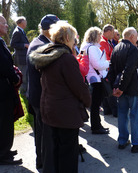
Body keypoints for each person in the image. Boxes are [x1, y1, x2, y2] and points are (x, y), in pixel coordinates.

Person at [29, 21, 91, 172]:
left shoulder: (48, 55)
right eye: (74, 38)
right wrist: (87, 100)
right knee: (67, 155)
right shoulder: (65, 58)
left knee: (53, 153)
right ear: (67, 38)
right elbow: (78, 87)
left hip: (50, 110)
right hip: (65, 114)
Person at [107, 27, 138, 153]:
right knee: (136, 115)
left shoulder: (116, 48)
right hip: (131, 88)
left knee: (122, 114)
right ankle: (137, 143)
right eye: (136, 36)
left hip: (121, 89)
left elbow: (112, 69)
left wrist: (115, 88)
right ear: (132, 36)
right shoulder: (132, 49)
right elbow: (129, 70)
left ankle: (122, 140)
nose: (137, 39)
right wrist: (120, 88)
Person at [27, 14, 59, 169]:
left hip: (39, 96)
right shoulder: (40, 45)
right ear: (50, 29)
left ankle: (43, 161)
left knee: (43, 132)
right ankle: (47, 164)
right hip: (41, 97)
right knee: (45, 134)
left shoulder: (41, 42)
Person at [0, 15, 22, 165]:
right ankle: (3, 154)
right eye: (4, 23)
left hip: (4, 87)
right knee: (3, 121)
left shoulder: (1, 41)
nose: (7, 26)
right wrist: (15, 78)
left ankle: (5, 149)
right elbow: (3, 65)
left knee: (5, 120)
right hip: (2, 89)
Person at [80, 27, 110, 134]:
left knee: (95, 104)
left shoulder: (85, 47)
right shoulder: (92, 48)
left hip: (91, 78)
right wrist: (108, 63)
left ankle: (97, 125)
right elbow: (97, 65)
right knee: (96, 105)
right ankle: (96, 127)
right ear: (94, 36)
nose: (101, 37)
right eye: (99, 35)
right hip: (96, 79)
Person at [100, 24, 117, 116]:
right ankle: (114, 111)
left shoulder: (106, 41)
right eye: (113, 32)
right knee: (109, 91)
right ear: (109, 32)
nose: (114, 34)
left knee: (107, 92)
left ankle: (108, 110)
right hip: (106, 70)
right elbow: (104, 58)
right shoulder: (103, 42)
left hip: (107, 68)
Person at [10, 16, 29, 95]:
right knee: (23, 75)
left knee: (26, 74)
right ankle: (22, 92)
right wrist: (24, 45)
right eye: (25, 21)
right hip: (20, 58)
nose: (26, 22)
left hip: (23, 57)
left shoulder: (21, 31)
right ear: (21, 23)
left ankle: (25, 91)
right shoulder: (17, 32)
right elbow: (13, 44)